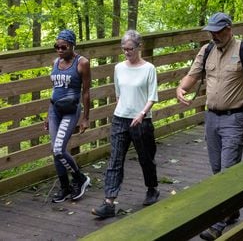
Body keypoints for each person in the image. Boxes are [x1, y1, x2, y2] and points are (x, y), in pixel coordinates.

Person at [176, 12, 243, 240]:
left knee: (228, 171)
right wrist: (181, 89)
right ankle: (232, 210)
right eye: (211, 31)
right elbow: (192, 75)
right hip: (211, 118)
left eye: (218, 31)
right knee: (217, 169)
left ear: (229, 29)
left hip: (234, 118)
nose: (214, 35)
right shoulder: (207, 50)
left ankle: (217, 223)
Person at [91, 30, 159, 218]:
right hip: (120, 118)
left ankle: (152, 189)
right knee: (115, 159)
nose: (127, 52)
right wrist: (125, 110)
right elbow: (118, 93)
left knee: (145, 158)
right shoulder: (119, 68)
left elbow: (152, 97)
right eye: (124, 49)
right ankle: (109, 202)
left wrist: (141, 113)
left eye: (130, 49)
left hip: (142, 120)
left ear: (139, 47)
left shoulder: (149, 69)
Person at [44, 29, 91, 203]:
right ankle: (65, 188)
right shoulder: (55, 62)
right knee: (55, 151)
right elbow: (54, 89)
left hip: (71, 111)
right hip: (54, 110)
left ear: (72, 45)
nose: (59, 49)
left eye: (63, 46)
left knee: (58, 149)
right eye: (56, 46)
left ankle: (80, 178)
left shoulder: (82, 63)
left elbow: (85, 92)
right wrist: (47, 115)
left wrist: (86, 118)